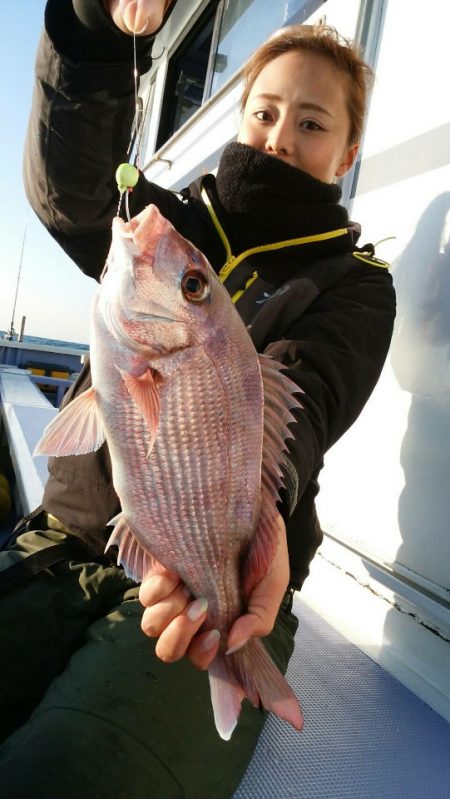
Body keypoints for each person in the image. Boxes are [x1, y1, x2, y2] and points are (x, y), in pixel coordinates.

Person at [0, 1, 396, 797]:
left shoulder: (356, 285)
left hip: (229, 575)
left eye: (312, 123)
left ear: (349, 150)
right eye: (264, 110)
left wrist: (254, 538)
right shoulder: (172, 222)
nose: (280, 135)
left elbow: (304, 403)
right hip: (69, 540)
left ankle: (236, 659)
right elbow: (71, 184)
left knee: (73, 773)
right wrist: (99, 26)